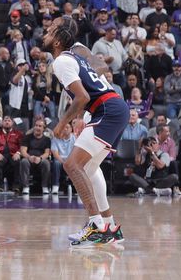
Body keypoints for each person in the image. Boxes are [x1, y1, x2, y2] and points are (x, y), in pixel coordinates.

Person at [46, 16, 129, 247]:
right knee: (89, 168)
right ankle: (109, 225)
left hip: (103, 108)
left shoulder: (71, 54)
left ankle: (96, 225)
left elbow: (86, 89)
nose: (47, 29)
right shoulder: (69, 57)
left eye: (52, 27)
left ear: (61, 35)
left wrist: (62, 123)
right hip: (109, 106)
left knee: (72, 165)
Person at [0, 116, 23, 191]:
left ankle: (16, 186)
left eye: (9, 121)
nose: (7, 122)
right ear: (2, 123)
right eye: (5, 120)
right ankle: (0, 186)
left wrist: (18, 153)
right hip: (1, 154)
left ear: (12, 123)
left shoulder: (18, 133)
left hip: (13, 154)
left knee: (18, 162)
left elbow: (22, 145)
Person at [19, 120, 52, 195]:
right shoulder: (27, 137)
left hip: (40, 160)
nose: (37, 127)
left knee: (46, 163)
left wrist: (40, 158)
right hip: (29, 159)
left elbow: (47, 153)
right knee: (24, 161)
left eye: (40, 126)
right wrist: (29, 157)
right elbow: (23, 151)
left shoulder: (47, 139)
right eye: (36, 125)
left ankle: (45, 187)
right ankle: (26, 187)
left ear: (44, 128)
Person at [50, 121, 76, 194]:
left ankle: (76, 187)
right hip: (60, 159)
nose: (65, 129)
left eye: (67, 127)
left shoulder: (75, 138)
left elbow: (76, 152)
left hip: (71, 159)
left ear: (71, 129)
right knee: (56, 163)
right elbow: (55, 153)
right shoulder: (55, 138)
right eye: (63, 127)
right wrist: (63, 162)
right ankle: (55, 186)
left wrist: (69, 161)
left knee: (77, 164)